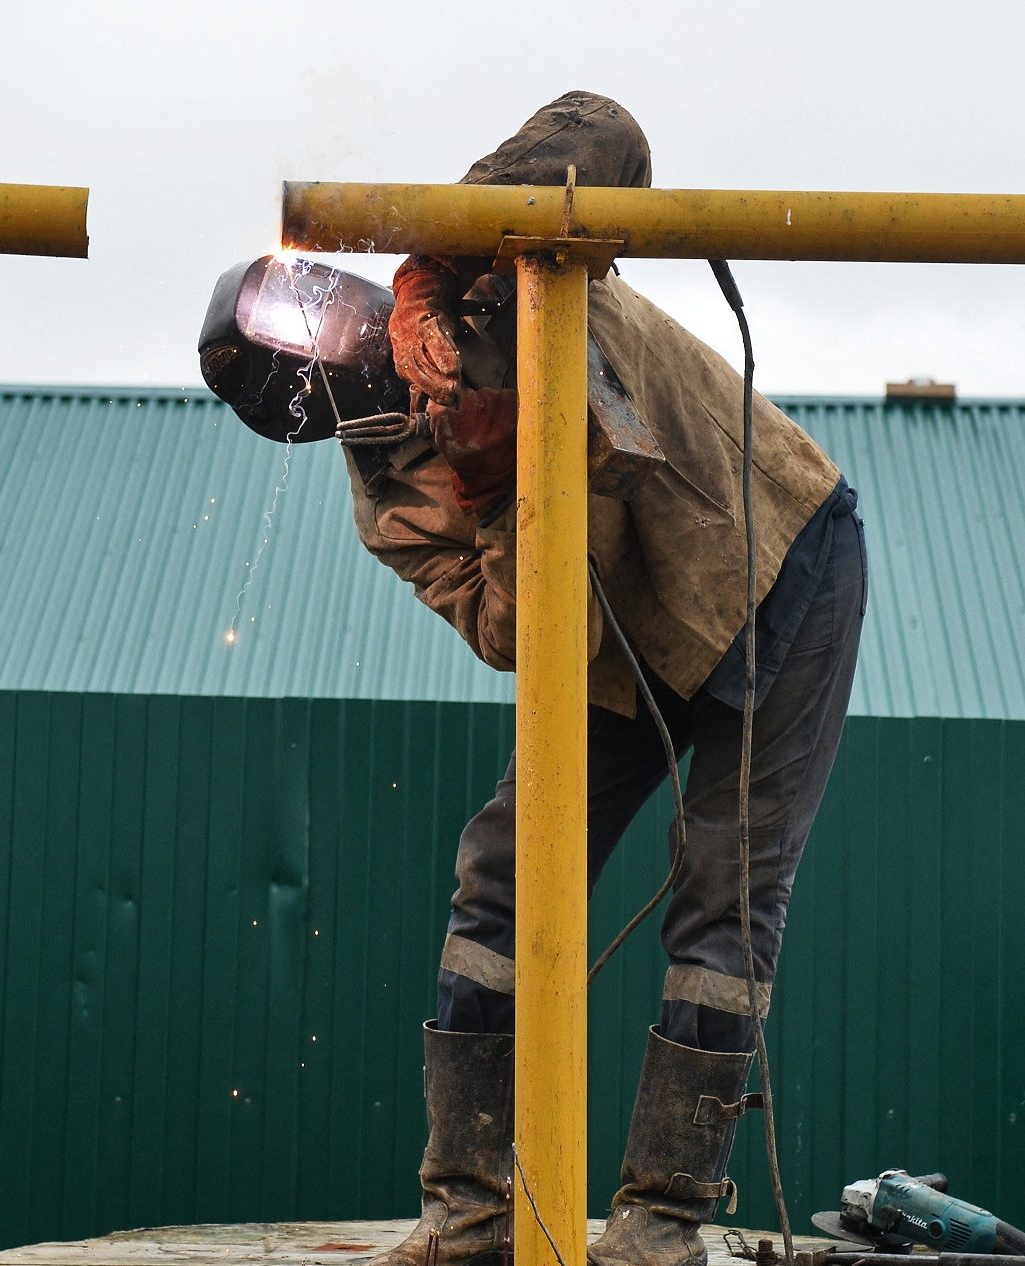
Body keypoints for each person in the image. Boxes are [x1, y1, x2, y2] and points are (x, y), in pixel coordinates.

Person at [343, 93, 866, 1266]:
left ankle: (659, 1222)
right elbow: (517, 634)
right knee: (503, 866)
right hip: (617, 627)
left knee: (724, 890)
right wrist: (510, 497)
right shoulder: (389, 491)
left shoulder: (518, 265)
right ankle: (471, 1212)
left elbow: (602, 129)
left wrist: (436, 264)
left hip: (777, 555)